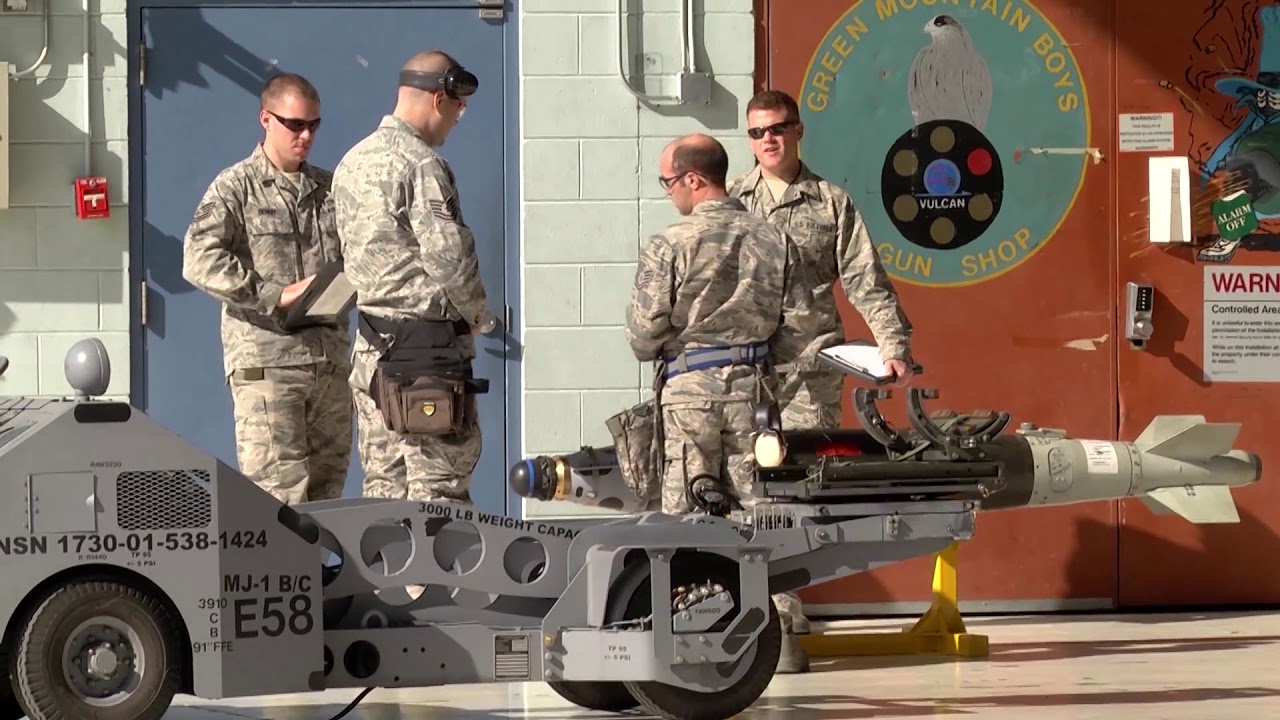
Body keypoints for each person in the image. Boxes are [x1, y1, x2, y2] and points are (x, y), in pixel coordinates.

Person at [727, 89, 918, 672]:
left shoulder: (830, 202)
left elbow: (865, 278)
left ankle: (787, 599)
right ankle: (768, 604)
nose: (768, 140)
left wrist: (893, 344)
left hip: (809, 368)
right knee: (745, 482)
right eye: (758, 132)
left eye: (779, 128)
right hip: (744, 368)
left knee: (797, 483)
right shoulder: (732, 202)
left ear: (798, 130)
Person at [624, 133, 816, 674]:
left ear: (692, 179)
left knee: (684, 517)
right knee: (759, 513)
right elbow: (800, 327)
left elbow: (642, 335)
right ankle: (779, 643)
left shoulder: (671, 243)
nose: (668, 194)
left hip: (689, 395)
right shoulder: (774, 238)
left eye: (668, 183)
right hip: (755, 393)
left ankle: (684, 645)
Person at [330, 49, 494, 503]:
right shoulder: (423, 165)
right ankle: (430, 580)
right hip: (428, 363)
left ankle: (390, 577)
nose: (460, 118)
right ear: (440, 99)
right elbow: (449, 257)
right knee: (439, 496)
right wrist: (480, 316)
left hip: (373, 356)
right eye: (458, 106)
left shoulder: (351, 162)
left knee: (385, 493)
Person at [182, 72, 353, 506]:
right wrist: (273, 294)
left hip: (328, 367)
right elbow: (199, 258)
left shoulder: (330, 189)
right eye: (294, 124)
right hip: (268, 368)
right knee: (279, 504)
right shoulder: (235, 187)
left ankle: (322, 578)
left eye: (314, 124)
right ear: (266, 119)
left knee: (329, 501)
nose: (306, 135)